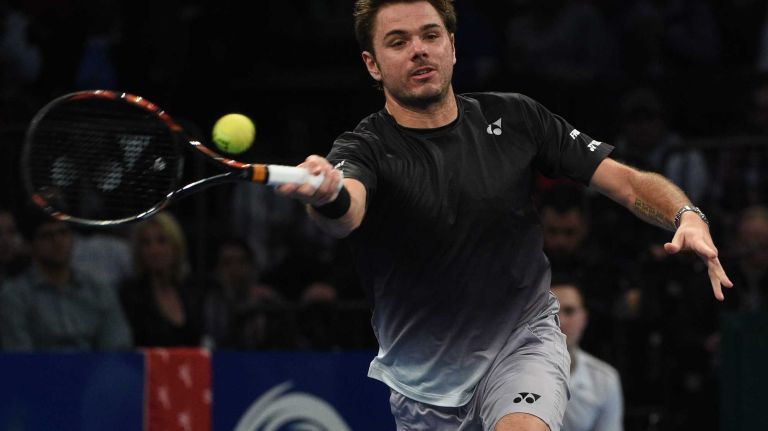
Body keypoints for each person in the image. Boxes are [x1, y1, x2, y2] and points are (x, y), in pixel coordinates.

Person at [275, 1, 732, 430]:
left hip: (522, 342)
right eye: (397, 42)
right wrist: (328, 194)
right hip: (422, 381)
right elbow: (346, 212)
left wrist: (686, 215)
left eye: (430, 35)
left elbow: (628, 182)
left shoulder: (516, 118)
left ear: (452, 45)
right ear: (372, 64)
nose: (418, 49)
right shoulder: (363, 148)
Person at [0, 208, 131, 351]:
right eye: (47, 236)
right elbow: (18, 358)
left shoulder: (99, 290)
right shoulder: (14, 295)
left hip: (95, 371)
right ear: (31, 244)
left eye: (63, 233)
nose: (57, 241)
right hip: (38, 372)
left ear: (73, 237)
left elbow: (118, 349)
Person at [119, 211, 204, 347]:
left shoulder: (192, 292)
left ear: (176, 247)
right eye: (146, 243)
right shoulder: (130, 296)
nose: (154, 250)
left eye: (162, 241)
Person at [551, 279, 624, 431]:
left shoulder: (604, 380)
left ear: (583, 319)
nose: (560, 321)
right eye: (550, 312)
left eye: (569, 311)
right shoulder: (509, 373)